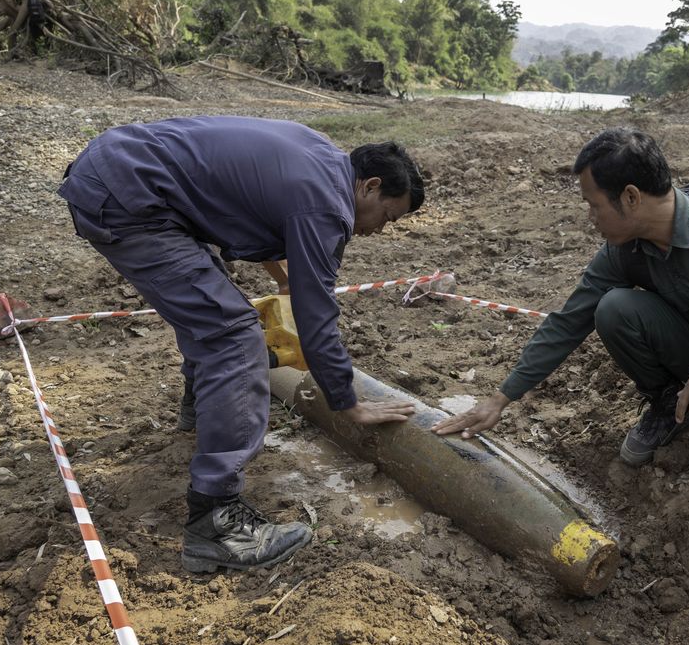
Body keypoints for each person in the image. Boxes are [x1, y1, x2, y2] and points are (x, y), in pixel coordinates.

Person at [58, 116, 424, 572]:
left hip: (120, 171)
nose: (379, 230)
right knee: (234, 336)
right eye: (387, 217)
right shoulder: (327, 206)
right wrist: (348, 403)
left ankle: (202, 411)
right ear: (369, 186)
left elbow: (248, 205)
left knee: (213, 304)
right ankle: (217, 521)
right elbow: (317, 318)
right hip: (131, 201)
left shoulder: (320, 157)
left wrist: (286, 279)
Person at [432, 128, 689, 499]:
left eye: (594, 205)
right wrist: (501, 398)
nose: (590, 218)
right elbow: (569, 320)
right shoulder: (623, 251)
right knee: (615, 308)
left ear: (630, 197)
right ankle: (671, 405)